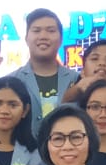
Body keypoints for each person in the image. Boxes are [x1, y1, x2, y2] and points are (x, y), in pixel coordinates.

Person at [10, 9, 76, 137]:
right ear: (26, 38)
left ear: (61, 39)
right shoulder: (11, 81)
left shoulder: (76, 80)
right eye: (36, 31)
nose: (43, 36)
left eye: (51, 31)